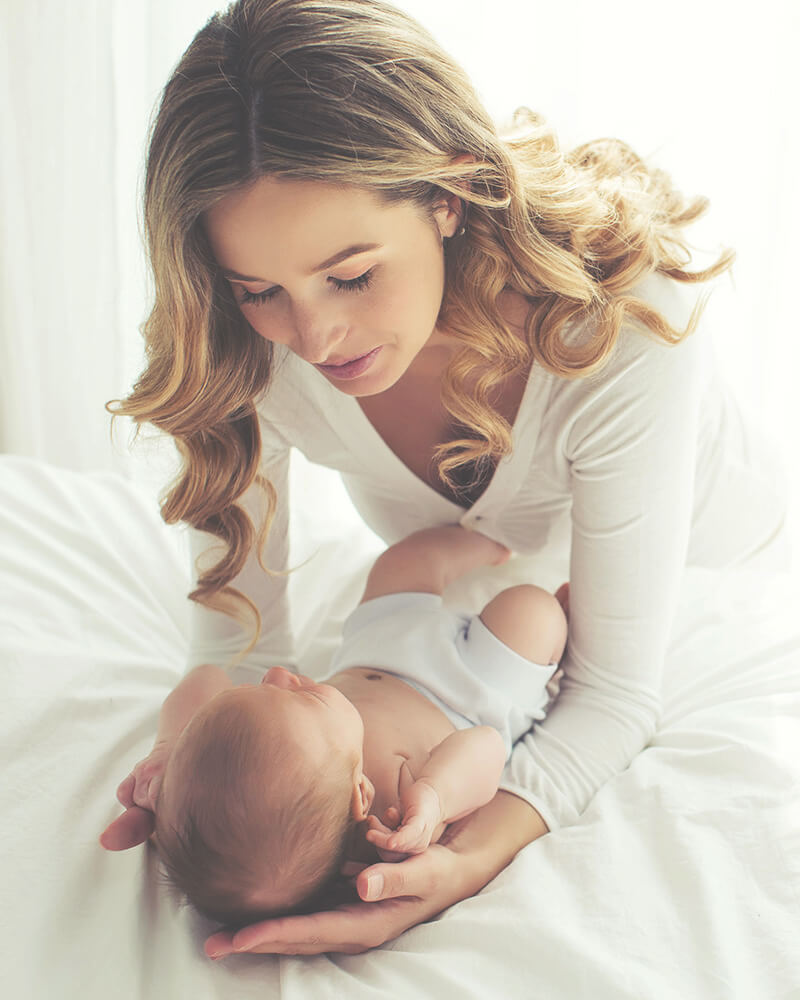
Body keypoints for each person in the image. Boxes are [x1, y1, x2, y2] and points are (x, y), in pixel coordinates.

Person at [100, 0, 789, 959]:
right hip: (489, 619)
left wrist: (461, 867)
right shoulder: (242, 354)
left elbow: (616, 696)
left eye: (349, 275)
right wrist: (207, 774)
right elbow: (245, 650)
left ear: (448, 194)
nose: (313, 339)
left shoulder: (618, 327)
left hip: (733, 576)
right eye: (261, 290)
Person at [146, 525, 567, 926]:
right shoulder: (397, 818)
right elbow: (487, 745)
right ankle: (550, 621)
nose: (278, 674)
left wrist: (169, 747)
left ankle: (489, 541)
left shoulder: (284, 758)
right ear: (361, 793)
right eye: (303, 695)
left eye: (264, 687)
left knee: (400, 563)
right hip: (472, 685)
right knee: (532, 610)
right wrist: (438, 796)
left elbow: (205, 677)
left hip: (374, 645)